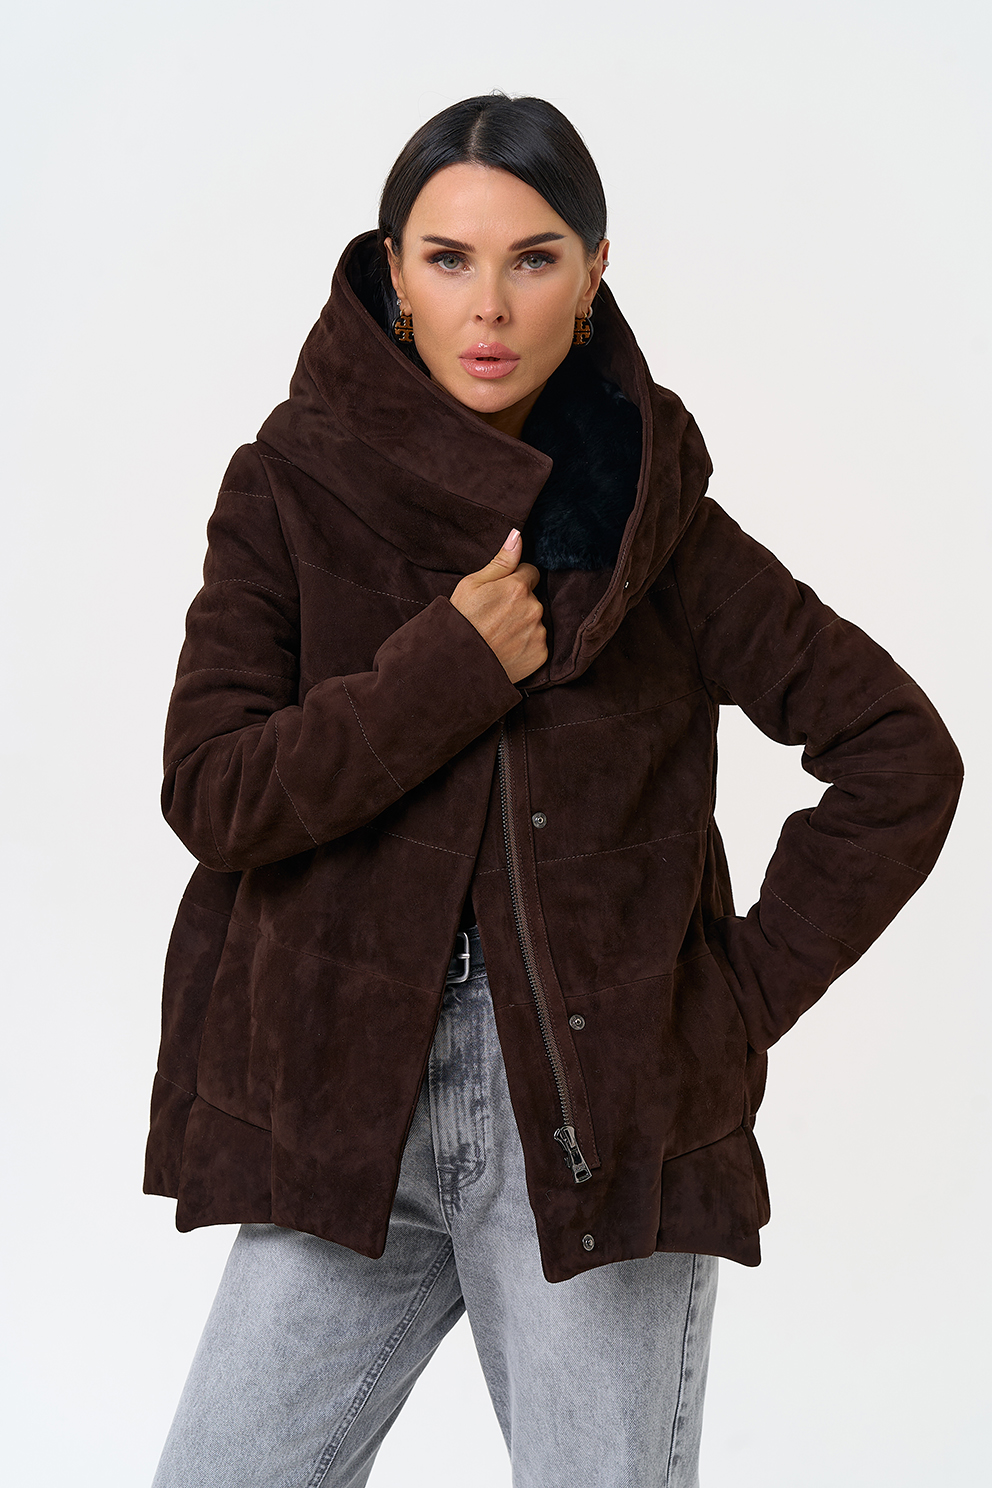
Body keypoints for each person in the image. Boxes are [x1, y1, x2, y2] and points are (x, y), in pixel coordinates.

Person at [145, 94, 963, 1487]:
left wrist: (723, 1005)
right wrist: (448, 668)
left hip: (593, 1127)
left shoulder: (655, 528)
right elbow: (213, 792)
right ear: (394, 275)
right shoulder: (290, 488)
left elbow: (899, 754)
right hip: (345, 1111)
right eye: (448, 258)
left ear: (592, 279)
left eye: (533, 258)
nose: (489, 305)